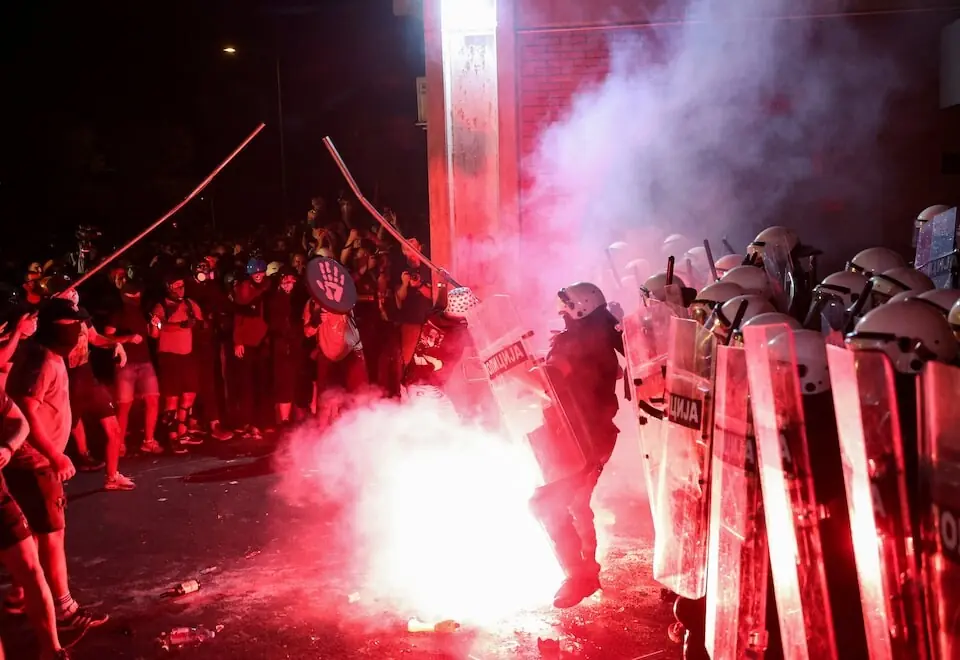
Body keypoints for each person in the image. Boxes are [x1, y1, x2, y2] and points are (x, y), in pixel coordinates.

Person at [5, 298, 109, 642]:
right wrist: (55, 455)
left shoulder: (45, 356)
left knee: (34, 530)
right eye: (74, 325)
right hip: (35, 461)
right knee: (52, 535)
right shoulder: (44, 362)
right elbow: (26, 409)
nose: (80, 331)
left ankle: (24, 595)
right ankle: (63, 610)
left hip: (30, 460)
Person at [529, 282, 624, 609]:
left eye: (566, 307)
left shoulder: (580, 341)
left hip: (581, 441)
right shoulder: (598, 337)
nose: (561, 312)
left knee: (546, 504)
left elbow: (552, 377)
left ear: (582, 307)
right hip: (590, 437)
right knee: (576, 504)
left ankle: (578, 576)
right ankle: (588, 572)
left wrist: (521, 372)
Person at [104, 282, 163, 455]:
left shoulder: (143, 311)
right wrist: (128, 338)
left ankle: (149, 441)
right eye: (133, 295)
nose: (136, 297)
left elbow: (154, 335)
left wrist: (155, 324)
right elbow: (107, 335)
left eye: (138, 294)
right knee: (124, 405)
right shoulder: (118, 312)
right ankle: (119, 443)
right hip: (125, 364)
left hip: (145, 362)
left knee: (153, 399)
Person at [149, 272, 203, 453]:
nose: (181, 289)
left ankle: (183, 431)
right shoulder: (161, 306)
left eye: (182, 285)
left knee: (189, 394)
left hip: (187, 355)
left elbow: (201, 323)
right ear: (168, 288)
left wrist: (198, 323)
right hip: (169, 357)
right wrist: (171, 325)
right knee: (171, 399)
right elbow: (155, 332)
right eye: (177, 286)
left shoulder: (189, 304)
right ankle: (172, 437)